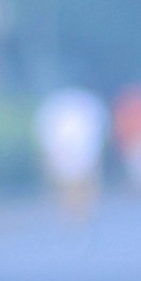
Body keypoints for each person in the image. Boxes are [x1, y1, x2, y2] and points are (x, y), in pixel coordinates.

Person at [33, 85, 108, 216]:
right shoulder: (63, 107)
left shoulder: (65, 107)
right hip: (68, 153)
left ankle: (78, 208)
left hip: (76, 153)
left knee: (75, 179)